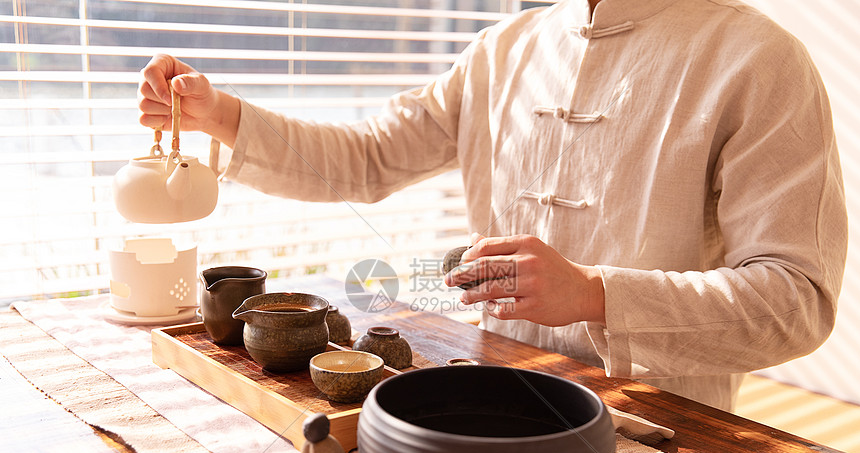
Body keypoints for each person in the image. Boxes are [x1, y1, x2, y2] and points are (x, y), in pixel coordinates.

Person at [138, 0, 847, 411]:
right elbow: (368, 156)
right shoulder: (502, 48)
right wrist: (221, 116)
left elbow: (796, 301)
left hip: (669, 430)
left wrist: (595, 294)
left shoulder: (757, 58)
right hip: (491, 407)